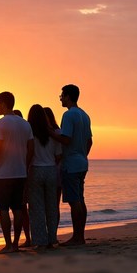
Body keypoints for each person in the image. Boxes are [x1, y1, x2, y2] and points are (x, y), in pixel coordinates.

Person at [0, 92, 34, 253]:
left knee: (3, 209)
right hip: (20, 172)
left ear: (3, 104)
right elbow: (31, 148)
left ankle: (8, 244)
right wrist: (25, 164)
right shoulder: (25, 124)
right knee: (17, 208)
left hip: (2, 173)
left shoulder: (0, 124)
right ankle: (15, 243)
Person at [50, 84, 93, 246]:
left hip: (71, 164)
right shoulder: (84, 114)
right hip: (82, 162)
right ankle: (79, 236)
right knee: (80, 200)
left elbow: (66, 139)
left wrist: (50, 133)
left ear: (68, 96)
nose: (60, 98)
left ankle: (77, 237)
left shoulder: (68, 115)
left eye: (62, 95)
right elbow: (89, 141)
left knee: (74, 201)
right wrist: (82, 154)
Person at [28, 104, 62, 248]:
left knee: (37, 208)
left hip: (35, 170)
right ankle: (52, 238)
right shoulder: (52, 134)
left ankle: (39, 240)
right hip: (51, 171)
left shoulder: (30, 134)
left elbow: (28, 154)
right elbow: (59, 155)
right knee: (52, 207)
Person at [13, 109, 31, 247]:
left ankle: (27, 238)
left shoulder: (21, 136)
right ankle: (28, 238)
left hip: (22, 173)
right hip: (25, 172)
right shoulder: (25, 132)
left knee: (21, 208)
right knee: (23, 208)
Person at [44, 107, 62, 225]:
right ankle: (51, 232)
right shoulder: (56, 132)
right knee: (52, 204)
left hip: (54, 170)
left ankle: (52, 231)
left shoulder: (56, 132)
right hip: (54, 170)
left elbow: (59, 154)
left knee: (53, 204)